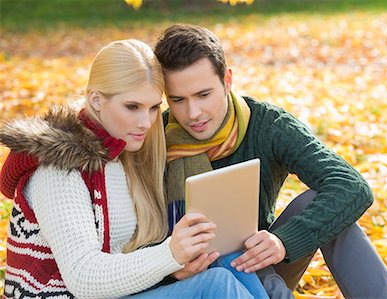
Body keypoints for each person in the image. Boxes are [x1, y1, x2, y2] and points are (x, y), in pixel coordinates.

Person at [0, 39, 267, 299]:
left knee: (226, 257)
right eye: (132, 107)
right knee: (215, 285)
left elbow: (127, 259)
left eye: (153, 108)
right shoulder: (59, 170)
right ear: (95, 100)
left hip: (118, 292)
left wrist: (176, 267)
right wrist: (170, 255)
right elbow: (83, 278)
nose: (146, 122)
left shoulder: (121, 153)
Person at [154, 24, 387, 299]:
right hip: (187, 280)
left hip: (261, 264)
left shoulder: (269, 126)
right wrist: (169, 267)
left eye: (204, 95)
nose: (193, 113)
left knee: (317, 203)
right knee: (227, 248)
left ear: (227, 81)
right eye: (177, 100)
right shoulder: (154, 139)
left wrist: (283, 241)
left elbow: (352, 186)